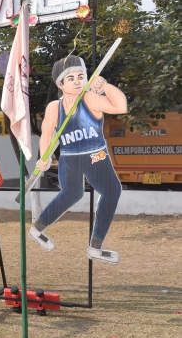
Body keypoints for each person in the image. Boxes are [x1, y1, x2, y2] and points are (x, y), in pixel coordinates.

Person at [28, 55, 127, 264]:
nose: (77, 81)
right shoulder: (54, 107)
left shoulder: (90, 98)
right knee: (72, 194)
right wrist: (44, 158)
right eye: (71, 78)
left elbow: (121, 106)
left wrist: (105, 87)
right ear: (60, 84)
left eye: (80, 77)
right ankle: (37, 229)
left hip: (95, 155)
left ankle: (96, 247)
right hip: (70, 158)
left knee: (112, 190)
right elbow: (46, 134)